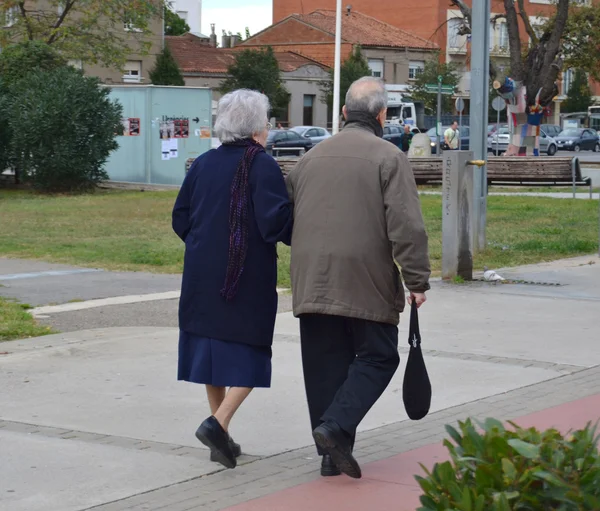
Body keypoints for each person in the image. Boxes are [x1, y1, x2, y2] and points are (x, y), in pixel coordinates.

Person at [286, 76, 431, 479]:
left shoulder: (308, 159)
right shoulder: (389, 157)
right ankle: (334, 429)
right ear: (383, 115)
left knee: (323, 365)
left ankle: (331, 454)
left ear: (345, 113)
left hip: (311, 276)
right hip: (365, 276)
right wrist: (416, 280)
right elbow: (406, 225)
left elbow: (287, 216)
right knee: (378, 356)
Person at [172, 89, 293, 470]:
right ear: (258, 126)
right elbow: (275, 222)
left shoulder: (204, 163)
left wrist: (202, 243)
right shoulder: (262, 165)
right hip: (244, 277)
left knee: (211, 353)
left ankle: (220, 436)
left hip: (201, 274)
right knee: (251, 355)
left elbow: (180, 217)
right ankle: (217, 423)